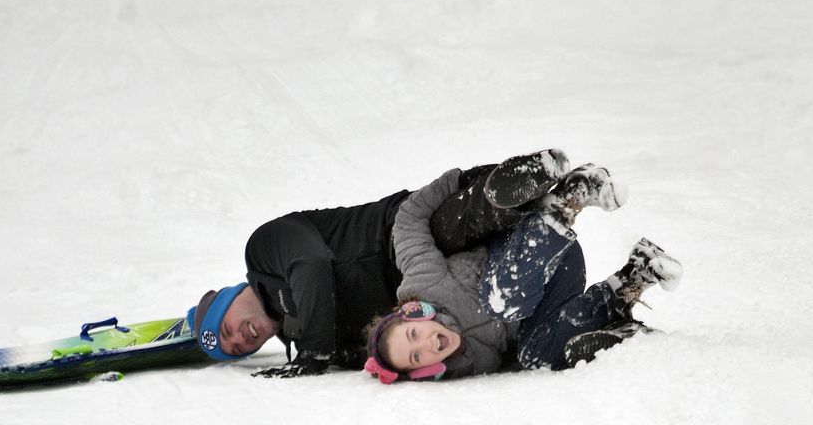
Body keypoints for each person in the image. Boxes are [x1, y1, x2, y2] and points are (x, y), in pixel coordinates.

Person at [188, 149, 627, 378]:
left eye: (228, 328)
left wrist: (314, 354)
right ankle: (612, 306)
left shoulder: (263, 249)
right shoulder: (300, 329)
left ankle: (536, 177)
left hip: (395, 233)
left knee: (459, 220)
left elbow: (313, 264)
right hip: (432, 298)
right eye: (236, 349)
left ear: (229, 300)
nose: (241, 338)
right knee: (517, 323)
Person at [361, 168, 682, 384]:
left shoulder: (425, 282)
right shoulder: (467, 365)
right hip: (558, 282)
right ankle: (631, 282)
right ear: (424, 370)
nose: (425, 346)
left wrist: (457, 181)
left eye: (413, 334)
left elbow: (408, 219)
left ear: (413, 314)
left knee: (505, 303)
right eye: (416, 357)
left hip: (529, 249)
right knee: (534, 356)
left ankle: (569, 201)